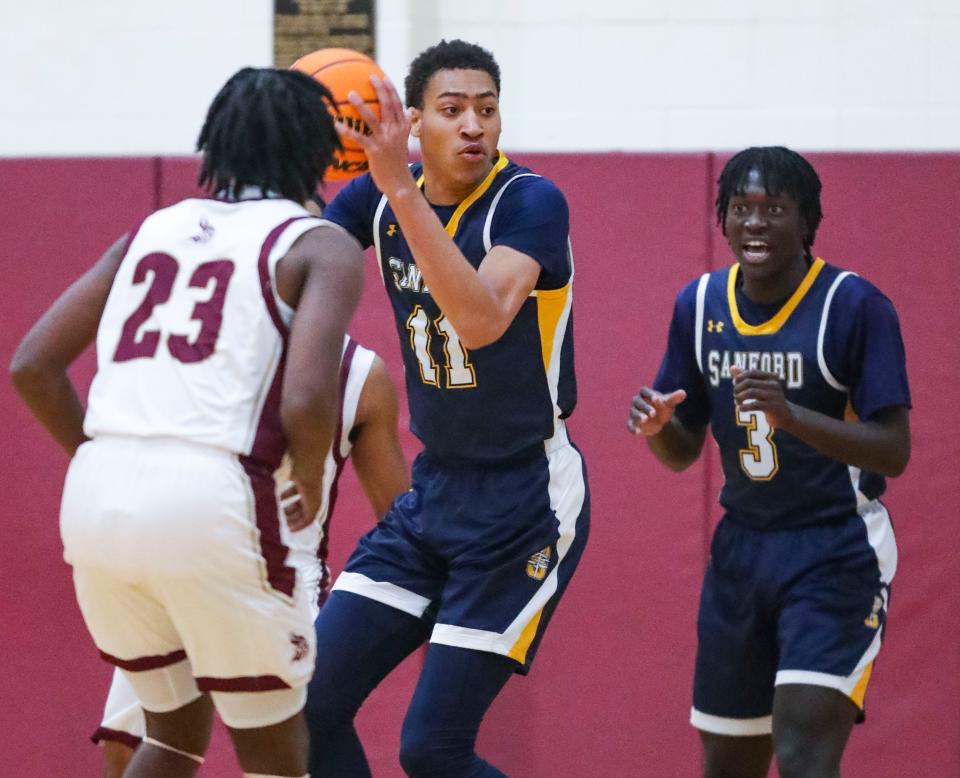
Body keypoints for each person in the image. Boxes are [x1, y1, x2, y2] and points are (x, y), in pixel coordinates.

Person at [10, 67, 364, 777]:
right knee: (276, 748)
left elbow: (32, 366)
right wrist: (312, 483)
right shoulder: (321, 244)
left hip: (95, 501)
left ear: (219, 144)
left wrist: (102, 457)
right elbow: (303, 401)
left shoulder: (151, 230)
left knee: (172, 733)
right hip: (210, 497)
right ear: (318, 152)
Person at [304, 39, 590, 777]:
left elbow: (483, 319)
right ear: (414, 123)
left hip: (525, 498)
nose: (474, 127)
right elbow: (299, 259)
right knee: (306, 708)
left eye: (487, 110)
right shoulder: (378, 194)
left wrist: (399, 190)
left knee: (432, 750)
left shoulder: (528, 201)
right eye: (453, 110)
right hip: (435, 493)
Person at [628, 146, 911, 778]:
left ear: (807, 222)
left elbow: (894, 451)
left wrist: (793, 418)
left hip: (835, 548)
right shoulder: (698, 306)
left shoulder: (854, 306)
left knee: (806, 753)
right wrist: (657, 429)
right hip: (742, 553)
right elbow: (684, 447)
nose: (755, 222)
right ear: (722, 220)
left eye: (774, 209)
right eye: (740, 208)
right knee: (729, 764)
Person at [92, 336, 409, 776]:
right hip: (180, 563)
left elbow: (398, 521)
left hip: (281, 585)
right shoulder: (198, 337)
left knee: (300, 743)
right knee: (128, 747)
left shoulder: (359, 373)